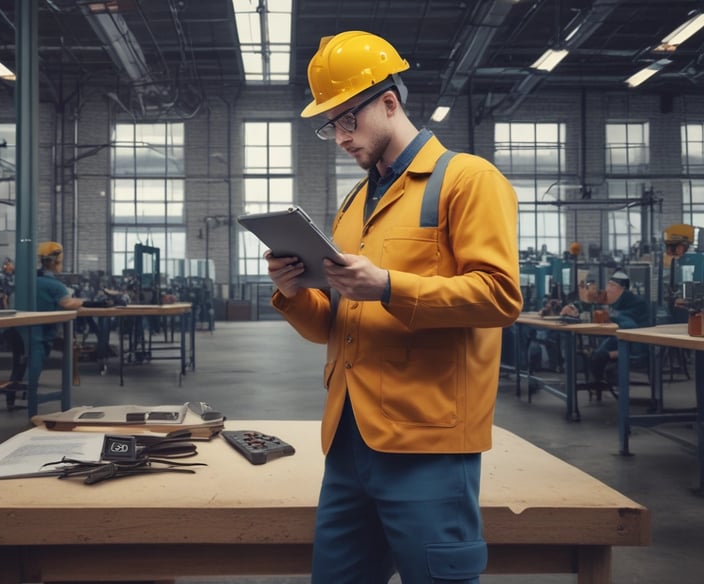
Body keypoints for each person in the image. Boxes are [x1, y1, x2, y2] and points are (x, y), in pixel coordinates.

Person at [264, 31, 522, 584]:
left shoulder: (468, 180)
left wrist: (387, 286)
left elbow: (500, 296)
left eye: (346, 120)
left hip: (427, 442)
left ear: (388, 102)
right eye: (329, 125)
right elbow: (333, 327)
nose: (338, 137)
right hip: (350, 439)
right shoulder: (354, 203)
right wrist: (293, 292)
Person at [4, 241, 85, 406]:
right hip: (39, 335)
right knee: (34, 367)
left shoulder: (27, 282)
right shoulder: (56, 286)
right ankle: (31, 401)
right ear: (56, 261)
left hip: (17, 331)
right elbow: (67, 303)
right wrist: (85, 302)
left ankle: (11, 397)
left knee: (19, 364)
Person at [563, 270, 651, 390]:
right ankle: (599, 382)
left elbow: (629, 327)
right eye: (608, 285)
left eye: (612, 286)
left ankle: (602, 382)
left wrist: (608, 316)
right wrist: (572, 307)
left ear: (621, 289)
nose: (608, 289)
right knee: (596, 356)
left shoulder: (636, 303)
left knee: (600, 356)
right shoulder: (613, 299)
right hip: (617, 341)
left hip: (635, 347)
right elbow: (591, 302)